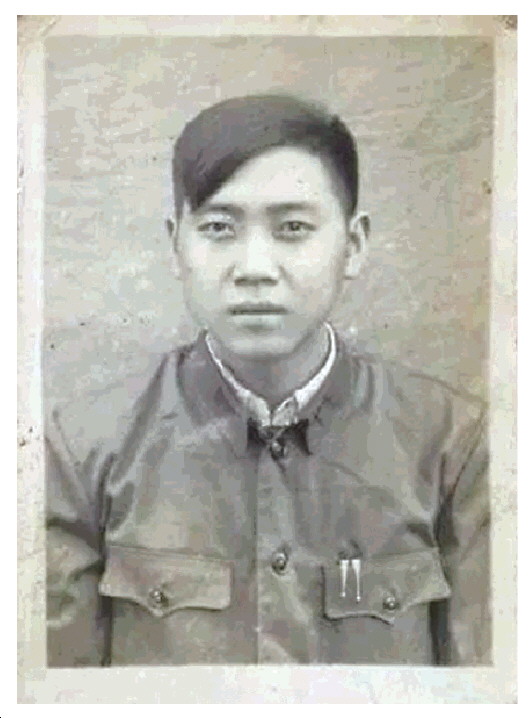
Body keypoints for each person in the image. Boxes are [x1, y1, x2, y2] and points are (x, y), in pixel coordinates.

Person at [46, 94, 490, 666]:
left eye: (293, 228)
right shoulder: (84, 450)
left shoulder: (455, 446)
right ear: (176, 245)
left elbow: (490, 689)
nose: (255, 269)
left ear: (353, 245)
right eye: (219, 228)